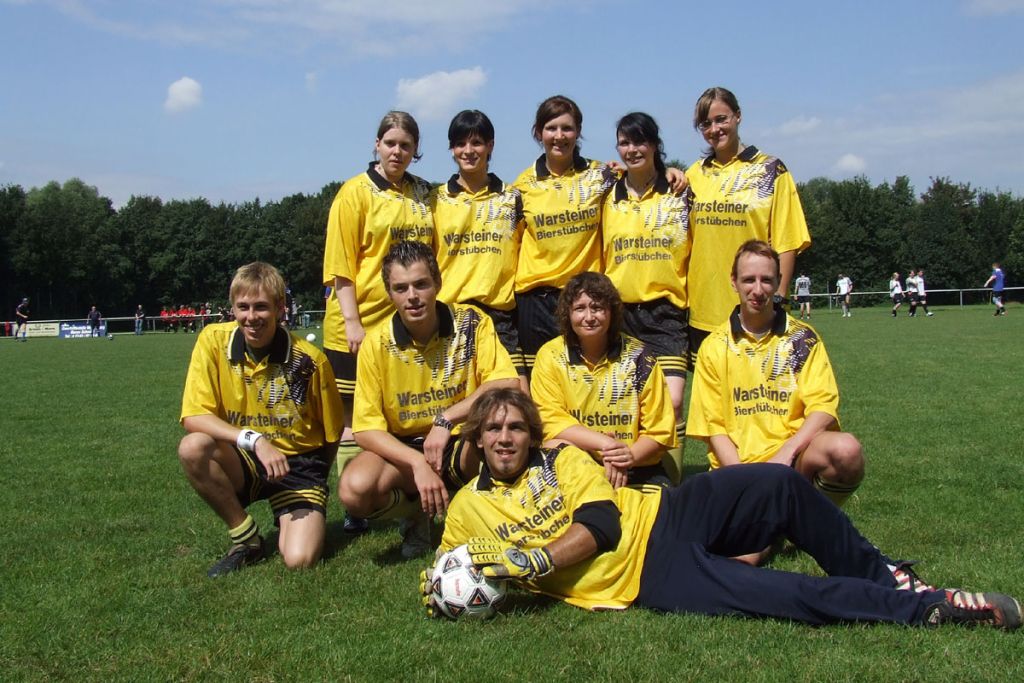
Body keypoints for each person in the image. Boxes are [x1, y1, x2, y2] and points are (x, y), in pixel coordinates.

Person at [426, 387, 1021, 630]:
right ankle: (931, 610)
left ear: (531, 434)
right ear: (477, 439)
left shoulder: (562, 458)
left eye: (515, 427)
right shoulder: (468, 509)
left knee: (778, 484)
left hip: (668, 513)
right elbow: (450, 566)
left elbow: (601, 526)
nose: (505, 438)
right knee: (788, 595)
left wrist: (534, 560)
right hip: (648, 577)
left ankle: (889, 577)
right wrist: (437, 588)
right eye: (493, 430)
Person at [340, 241, 519, 558]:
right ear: (389, 293)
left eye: (421, 284)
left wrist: (445, 419)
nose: (412, 296)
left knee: (499, 429)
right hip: (406, 450)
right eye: (401, 288)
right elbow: (365, 430)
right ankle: (415, 514)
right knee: (354, 489)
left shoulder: (472, 322)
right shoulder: (376, 343)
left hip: (461, 440)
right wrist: (417, 463)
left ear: (437, 283)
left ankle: (477, 519)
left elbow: (506, 382)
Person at [178, 262, 345, 577]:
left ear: (281, 308)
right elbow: (194, 416)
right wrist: (254, 440)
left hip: (298, 465)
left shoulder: (310, 361)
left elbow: (332, 434)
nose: (251, 317)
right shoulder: (212, 342)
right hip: (245, 457)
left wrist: (314, 485)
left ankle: (290, 509)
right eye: (243, 307)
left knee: (299, 560)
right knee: (193, 447)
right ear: (232, 308)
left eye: (261, 307)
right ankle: (246, 538)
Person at [322, 111, 436, 534]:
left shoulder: (424, 194)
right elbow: (340, 266)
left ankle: (404, 498)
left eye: (406, 145)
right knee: (355, 420)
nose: (397, 152)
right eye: (390, 143)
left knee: (401, 413)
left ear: (415, 150)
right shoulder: (354, 193)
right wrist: (353, 322)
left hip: (406, 326)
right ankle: (357, 509)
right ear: (376, 144)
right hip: (358, 327)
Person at [687, 241, 864, 511]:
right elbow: (715, 429)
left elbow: (823, 409)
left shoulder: (802, 339)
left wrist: (786, 454)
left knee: (846, 450)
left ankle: (812, 521)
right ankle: (771, 518)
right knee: (740, 542)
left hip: (793, 462)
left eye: (767, 280)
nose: (758, 290)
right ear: (734, 281)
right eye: (749, 280)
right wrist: (746, 483)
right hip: (737, 469)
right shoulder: (714, 346)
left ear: (779, 281)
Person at [685, 87, 811, 361]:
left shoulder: (771, 170)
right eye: (705, 123)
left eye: (721, 119)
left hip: (757, 309)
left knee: (757, 388)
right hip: (704, 314)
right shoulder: (694, 174)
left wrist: (778, 299)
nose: (714, 129)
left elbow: (787, 242)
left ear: (738, 116)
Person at [601, 112, 690, 478]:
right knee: (627, 403)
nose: (632, 149)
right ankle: (636, 478)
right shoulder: (606, 193)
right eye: (625, 143)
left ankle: (672, 483)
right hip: (620, 313)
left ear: (655, 144)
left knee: (672, 401)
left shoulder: (681, 192)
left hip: (665, 312)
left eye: (640, 141)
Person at [530, 272, 676, 490]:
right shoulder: (550, 356)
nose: (589, 317)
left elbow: (660, 430)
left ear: (612, 312)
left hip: (635, 464)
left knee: (667, 509)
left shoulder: (639, 355)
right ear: (567, 313)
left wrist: (626, 457)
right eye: (580, 308)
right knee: (554, 446)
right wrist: (606, 444)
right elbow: (550, 422)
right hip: (578, 466)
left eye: (597, 308)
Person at [433, 110, 527, 387]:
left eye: (476, 143)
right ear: (452, 149)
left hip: (501, 316)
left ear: (490, 146)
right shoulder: (435, 200)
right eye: (460, 144)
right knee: (461, 397)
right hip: (451, 313)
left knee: (517, 397)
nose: (468, 151)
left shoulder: (513, 198)